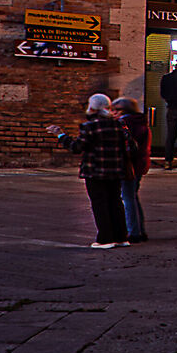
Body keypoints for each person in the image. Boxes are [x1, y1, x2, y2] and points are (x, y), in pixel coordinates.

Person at [50, 92, 131, 247]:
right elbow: (131, 145)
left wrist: (61, 135)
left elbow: (76, 147)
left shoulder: (90, 127)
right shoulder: (119, 125)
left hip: (95, 170)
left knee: (100, 203)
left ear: (92, 108)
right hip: (116, 169)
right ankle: (121, 237)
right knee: (115, 202)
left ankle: (105, 238)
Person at [113, 97, 151, 242]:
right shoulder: (141, 122)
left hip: (129, 165)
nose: (113, 113)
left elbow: (125, 146)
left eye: (115, 110)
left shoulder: (124, 124)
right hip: (140, 164)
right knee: (133, 197)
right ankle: (139, 229)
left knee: (128, 198)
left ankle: (133, 231)